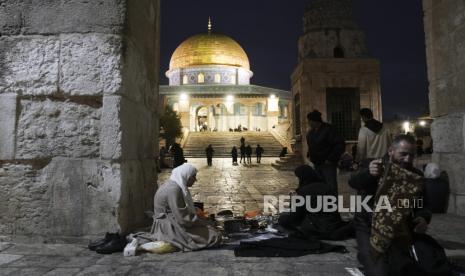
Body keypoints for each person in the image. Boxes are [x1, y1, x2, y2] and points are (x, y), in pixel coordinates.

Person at [349, 135, 432, 276]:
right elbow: (354, 182)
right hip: (368, 226)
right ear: (390, 151)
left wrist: (423, 218)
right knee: (378, 271)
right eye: (403, 154)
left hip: (399, 227)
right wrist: (369, 174)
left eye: (411, 155)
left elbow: (422, 205)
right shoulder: (375, 166)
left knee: (406, 268)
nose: (408, 159)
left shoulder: (415, 176)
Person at [150, 163, 221, 251]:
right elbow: (182, 219)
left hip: (169, 223)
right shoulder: (174, 189)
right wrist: (202, 221)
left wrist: (195, 213)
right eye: (193, 177)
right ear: (186, 176)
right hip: (169, 228)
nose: (195, 180)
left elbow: (178, 210)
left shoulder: (173, 185)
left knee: (209, 229)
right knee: (214, 235)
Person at [278, 165, 354, 241]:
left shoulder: (303, 191)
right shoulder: (326, 186)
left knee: (283, 219)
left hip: (318, 227)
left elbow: (296, 216)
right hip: (334, 224)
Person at [306, 110, 345, 195]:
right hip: (316, 163)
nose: (308, 123)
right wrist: (309, 155)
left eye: (309, 121)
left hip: (328, 163)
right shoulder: (311, 132)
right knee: (320, 185)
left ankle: (332, 205)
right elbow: (311, 145)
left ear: (315, 121)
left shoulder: (329, 130)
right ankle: (323, 205)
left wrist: (331, 158)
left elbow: (339, 145)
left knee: (331, 185)